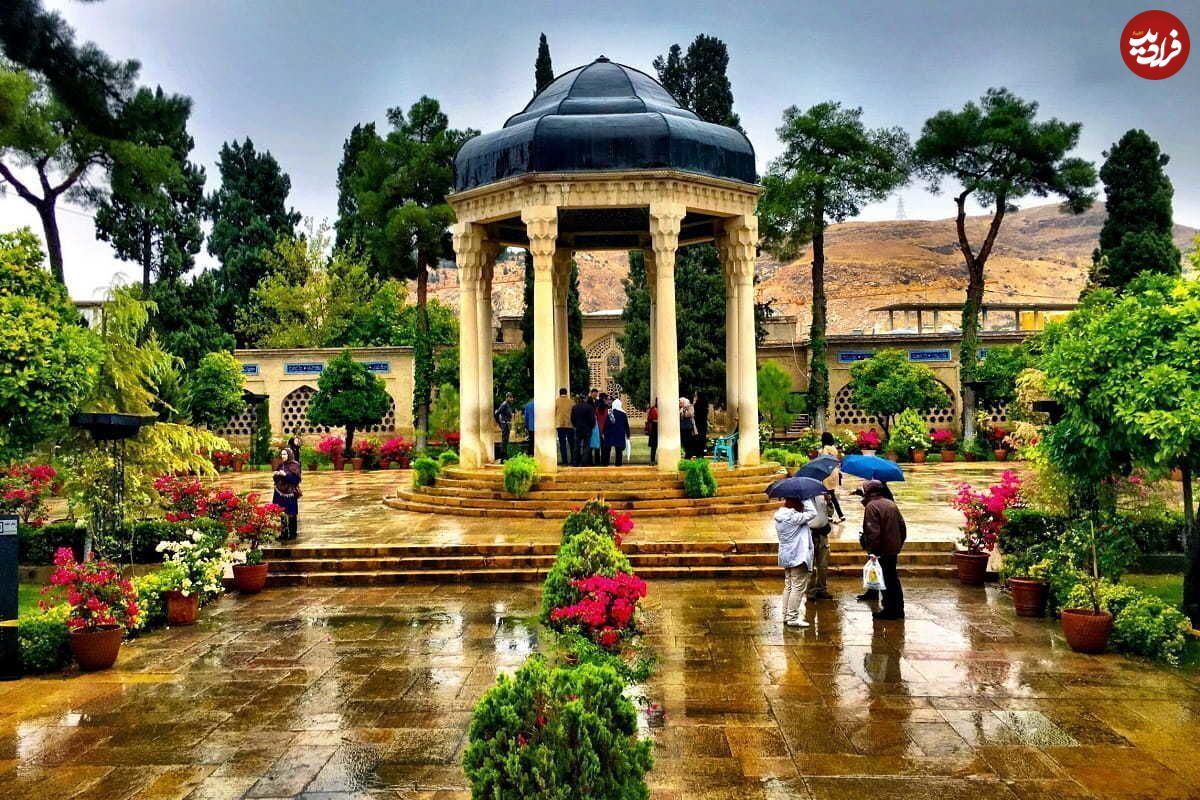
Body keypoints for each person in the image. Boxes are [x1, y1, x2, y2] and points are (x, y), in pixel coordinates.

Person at [859, 479, 907, 620]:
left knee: (885, 579)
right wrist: (898, 544)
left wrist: (873, 552)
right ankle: (899, 609)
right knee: (893, 578)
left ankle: (890, 610)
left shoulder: (872, 507)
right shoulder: (890, 504)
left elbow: (873, 532)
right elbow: (902, 527)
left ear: (869, 492)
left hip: (881, 550)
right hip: (893, 548)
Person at [774, 496, 816, 628]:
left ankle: (786, 615)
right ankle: (792, 617)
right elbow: (813, 513)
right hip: (798, 555)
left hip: (786, 555)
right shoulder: (794, 517)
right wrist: (805, 497)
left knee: (789, 586)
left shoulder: (780, 516)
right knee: (797, 587)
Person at [806, 491, 834, 601]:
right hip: (808, 536)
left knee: (823, 564)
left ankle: (822, 589)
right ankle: (810, 591)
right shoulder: (803, 499)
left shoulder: (822, 496)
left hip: (823, 535)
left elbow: (830, 513)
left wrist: (829, 502)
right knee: (810, 565)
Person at [273, 448, 302, 541]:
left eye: (285, 454)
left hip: (290, 493)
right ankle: (284, 534)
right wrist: (276, 474)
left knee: (291, 513)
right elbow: (276, 480)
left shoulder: (295, 465)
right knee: (282, 514)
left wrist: (285, 475)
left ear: (289, 455)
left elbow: (295, 480)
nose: (283, 456)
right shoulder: (281, 465)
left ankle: (293, 534)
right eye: (282, 454)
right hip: (280, 492)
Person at [818, 431, 847, 522]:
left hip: (828, 473)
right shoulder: (833, 448)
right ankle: (831, 515)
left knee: (829, 495)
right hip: (834, 472)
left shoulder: (825, 449)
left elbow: (824, 460)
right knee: (830, 493)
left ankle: (840, 514)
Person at [602, 398, 631, 466]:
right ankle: (618, 464)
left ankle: (605, 464)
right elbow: (626, 425)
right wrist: (628, 434)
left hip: (609, 433)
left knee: (607, 450)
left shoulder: (610, 413)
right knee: (618, 450)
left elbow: (606, 423)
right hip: (619, 434)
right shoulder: (623, 414)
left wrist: (603, 432)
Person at [570, 393, 595, 466]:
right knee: (586, 446)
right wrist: (591, 427)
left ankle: (575, 462)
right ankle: (584, 462)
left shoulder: (575, 407)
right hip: (587, 429)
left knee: (576, 446)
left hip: (578, 429)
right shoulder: (590, 407)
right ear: (585, 399)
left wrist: (576, 426)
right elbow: (592, 419)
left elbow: (572, 419)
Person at [555, 387, 574, 466]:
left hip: (560, 425)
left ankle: (565, 461)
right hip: (570, 425)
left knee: (562, 444)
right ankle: (573, 460)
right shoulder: (571, 402)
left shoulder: (556, 402)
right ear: (566, 393)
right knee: (571, 443)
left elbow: (554, 413)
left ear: (560, 393)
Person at [494, 393, 515, 461]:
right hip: (504, 424)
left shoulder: (508, 405)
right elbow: (497, 413)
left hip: (507, 424)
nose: (512, 399)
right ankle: (503, 458)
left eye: (512, 397)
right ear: (507, 397)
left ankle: (505, 456)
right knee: (504, 441)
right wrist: (500, 423)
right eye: (510, 398)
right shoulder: (504, 404)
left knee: (506, 441)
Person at [591, 393, 608, 466]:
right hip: (605, 430)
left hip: (597, 430)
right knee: (604, 447)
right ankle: (604, 462)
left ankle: (597, 462)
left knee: (597, 447)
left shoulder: (596, 409)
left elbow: (595, 419)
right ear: (604, 399)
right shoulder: (607, 409)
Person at [645, 399, 659, 465]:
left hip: (661, 430)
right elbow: (650, 419)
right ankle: (652, 461)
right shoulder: (653, 409)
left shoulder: (662, 409)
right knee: (654, 446)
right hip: (654, 429)